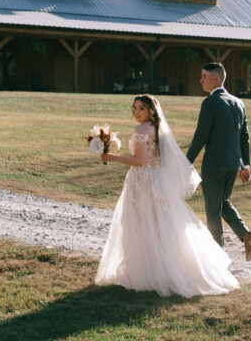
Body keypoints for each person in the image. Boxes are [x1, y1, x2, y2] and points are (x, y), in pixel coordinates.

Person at [95, 94, 239, 297]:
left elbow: (140, 160)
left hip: (143, 183)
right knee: (160, 225)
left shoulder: (141, 130)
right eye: (134, 108)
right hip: (157, 182)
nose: (136, 113)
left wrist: (112, 157)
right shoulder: (158, 129)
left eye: (141, 109)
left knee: (142, 226)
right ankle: (165, 268)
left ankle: (148, 272)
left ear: (151, 111)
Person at [186, 63, 251, 261]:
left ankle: (217, 259)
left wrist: (185, 163)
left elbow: (200, 136)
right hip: (233, 165)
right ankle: (245, 235)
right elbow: (245, 137)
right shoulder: (238, 102)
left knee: (212, 212)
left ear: (215, 79)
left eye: (203, 76)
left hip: (214, 166)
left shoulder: (210, 103)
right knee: (221, 203)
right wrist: (245, 166)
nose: (200, 80)